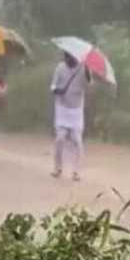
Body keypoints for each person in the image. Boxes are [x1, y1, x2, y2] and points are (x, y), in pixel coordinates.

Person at [51, 51, 92, 181]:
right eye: (66, 57)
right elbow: (53, 86)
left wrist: (87, 71)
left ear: (76, 57)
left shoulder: (83, 69)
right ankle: (57, 168)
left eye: (70, 57)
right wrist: (58, 90)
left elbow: (89, 84)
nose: (68, 60)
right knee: (60, 139)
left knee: (77, 141)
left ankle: (76, 171)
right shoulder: (60, 67)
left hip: (76, 111)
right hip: (62, 109)